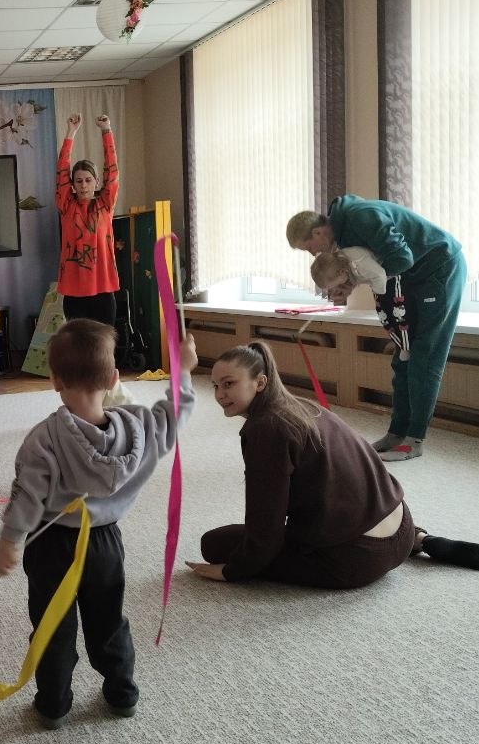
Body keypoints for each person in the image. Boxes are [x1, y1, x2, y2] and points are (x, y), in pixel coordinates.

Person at [0, 318, 198, 729]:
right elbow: (173, 416)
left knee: (52, 626)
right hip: (105, 545)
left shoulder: (43, 438)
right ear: (113, 378)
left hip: (50, 545)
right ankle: (122, 694)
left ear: (54, 380)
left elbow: (27, 493)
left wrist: (11, 539)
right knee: (108, 621)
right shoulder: (139, 427)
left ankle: (53, 704)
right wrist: (184, 371)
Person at [187, 341, 417, 588]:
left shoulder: (266, 429)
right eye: (215, 386)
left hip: (359, 558)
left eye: (229, 384)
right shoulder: (302, 406)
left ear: (260, 383)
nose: (219, 395)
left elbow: (266, 519)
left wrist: (234, 570)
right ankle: (422, 540)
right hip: (404, 531)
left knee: (214, 544)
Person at [287, 198, 467, 461]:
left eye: (308, 248)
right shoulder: (343, 235)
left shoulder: (362, 217)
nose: (312, 254)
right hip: (414, 277)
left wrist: (359, 280)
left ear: (317, 233)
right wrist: (351, 284)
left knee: (424, 357)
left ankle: (414, 441)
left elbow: (402, 258)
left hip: (440, 269)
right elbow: (383, 265)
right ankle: (396, 433)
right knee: (402, 356)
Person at [55, 112, 119, 327]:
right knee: (77, 344)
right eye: (78, 181)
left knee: (104, 343)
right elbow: (62, 171)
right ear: (72, 184)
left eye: (88, 180)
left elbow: (112, 172)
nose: (83, 185)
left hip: (103, 290)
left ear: (96, 182)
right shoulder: (66, 206)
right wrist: (71, 132)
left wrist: (106, 131)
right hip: (74, 294)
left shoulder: (105, 204)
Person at [310, 247, 413, 360]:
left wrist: (379, 295)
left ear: (341, 273)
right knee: (384, 317)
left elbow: (379, 275)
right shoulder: (343, 266)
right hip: (382, 284)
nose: (336, 288)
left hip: (393, 277)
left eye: (335, 285)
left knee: (399, 315)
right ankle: (402, 345)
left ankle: (406, 346)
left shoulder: (358, 264)